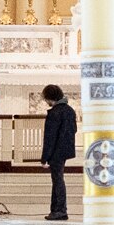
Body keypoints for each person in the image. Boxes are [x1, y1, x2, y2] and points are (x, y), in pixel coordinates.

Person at [37, 81, 76, 218]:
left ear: (50, 97)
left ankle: (60, 210)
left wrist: (44, 158)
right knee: (58, 179)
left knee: (58, 180)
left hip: (56, 151)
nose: (45, 101)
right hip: (64, 150)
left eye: (46, 98)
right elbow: (74, 130)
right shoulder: (69, 110)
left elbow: (50, 137)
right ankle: (57, 209)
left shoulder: (55, 113)